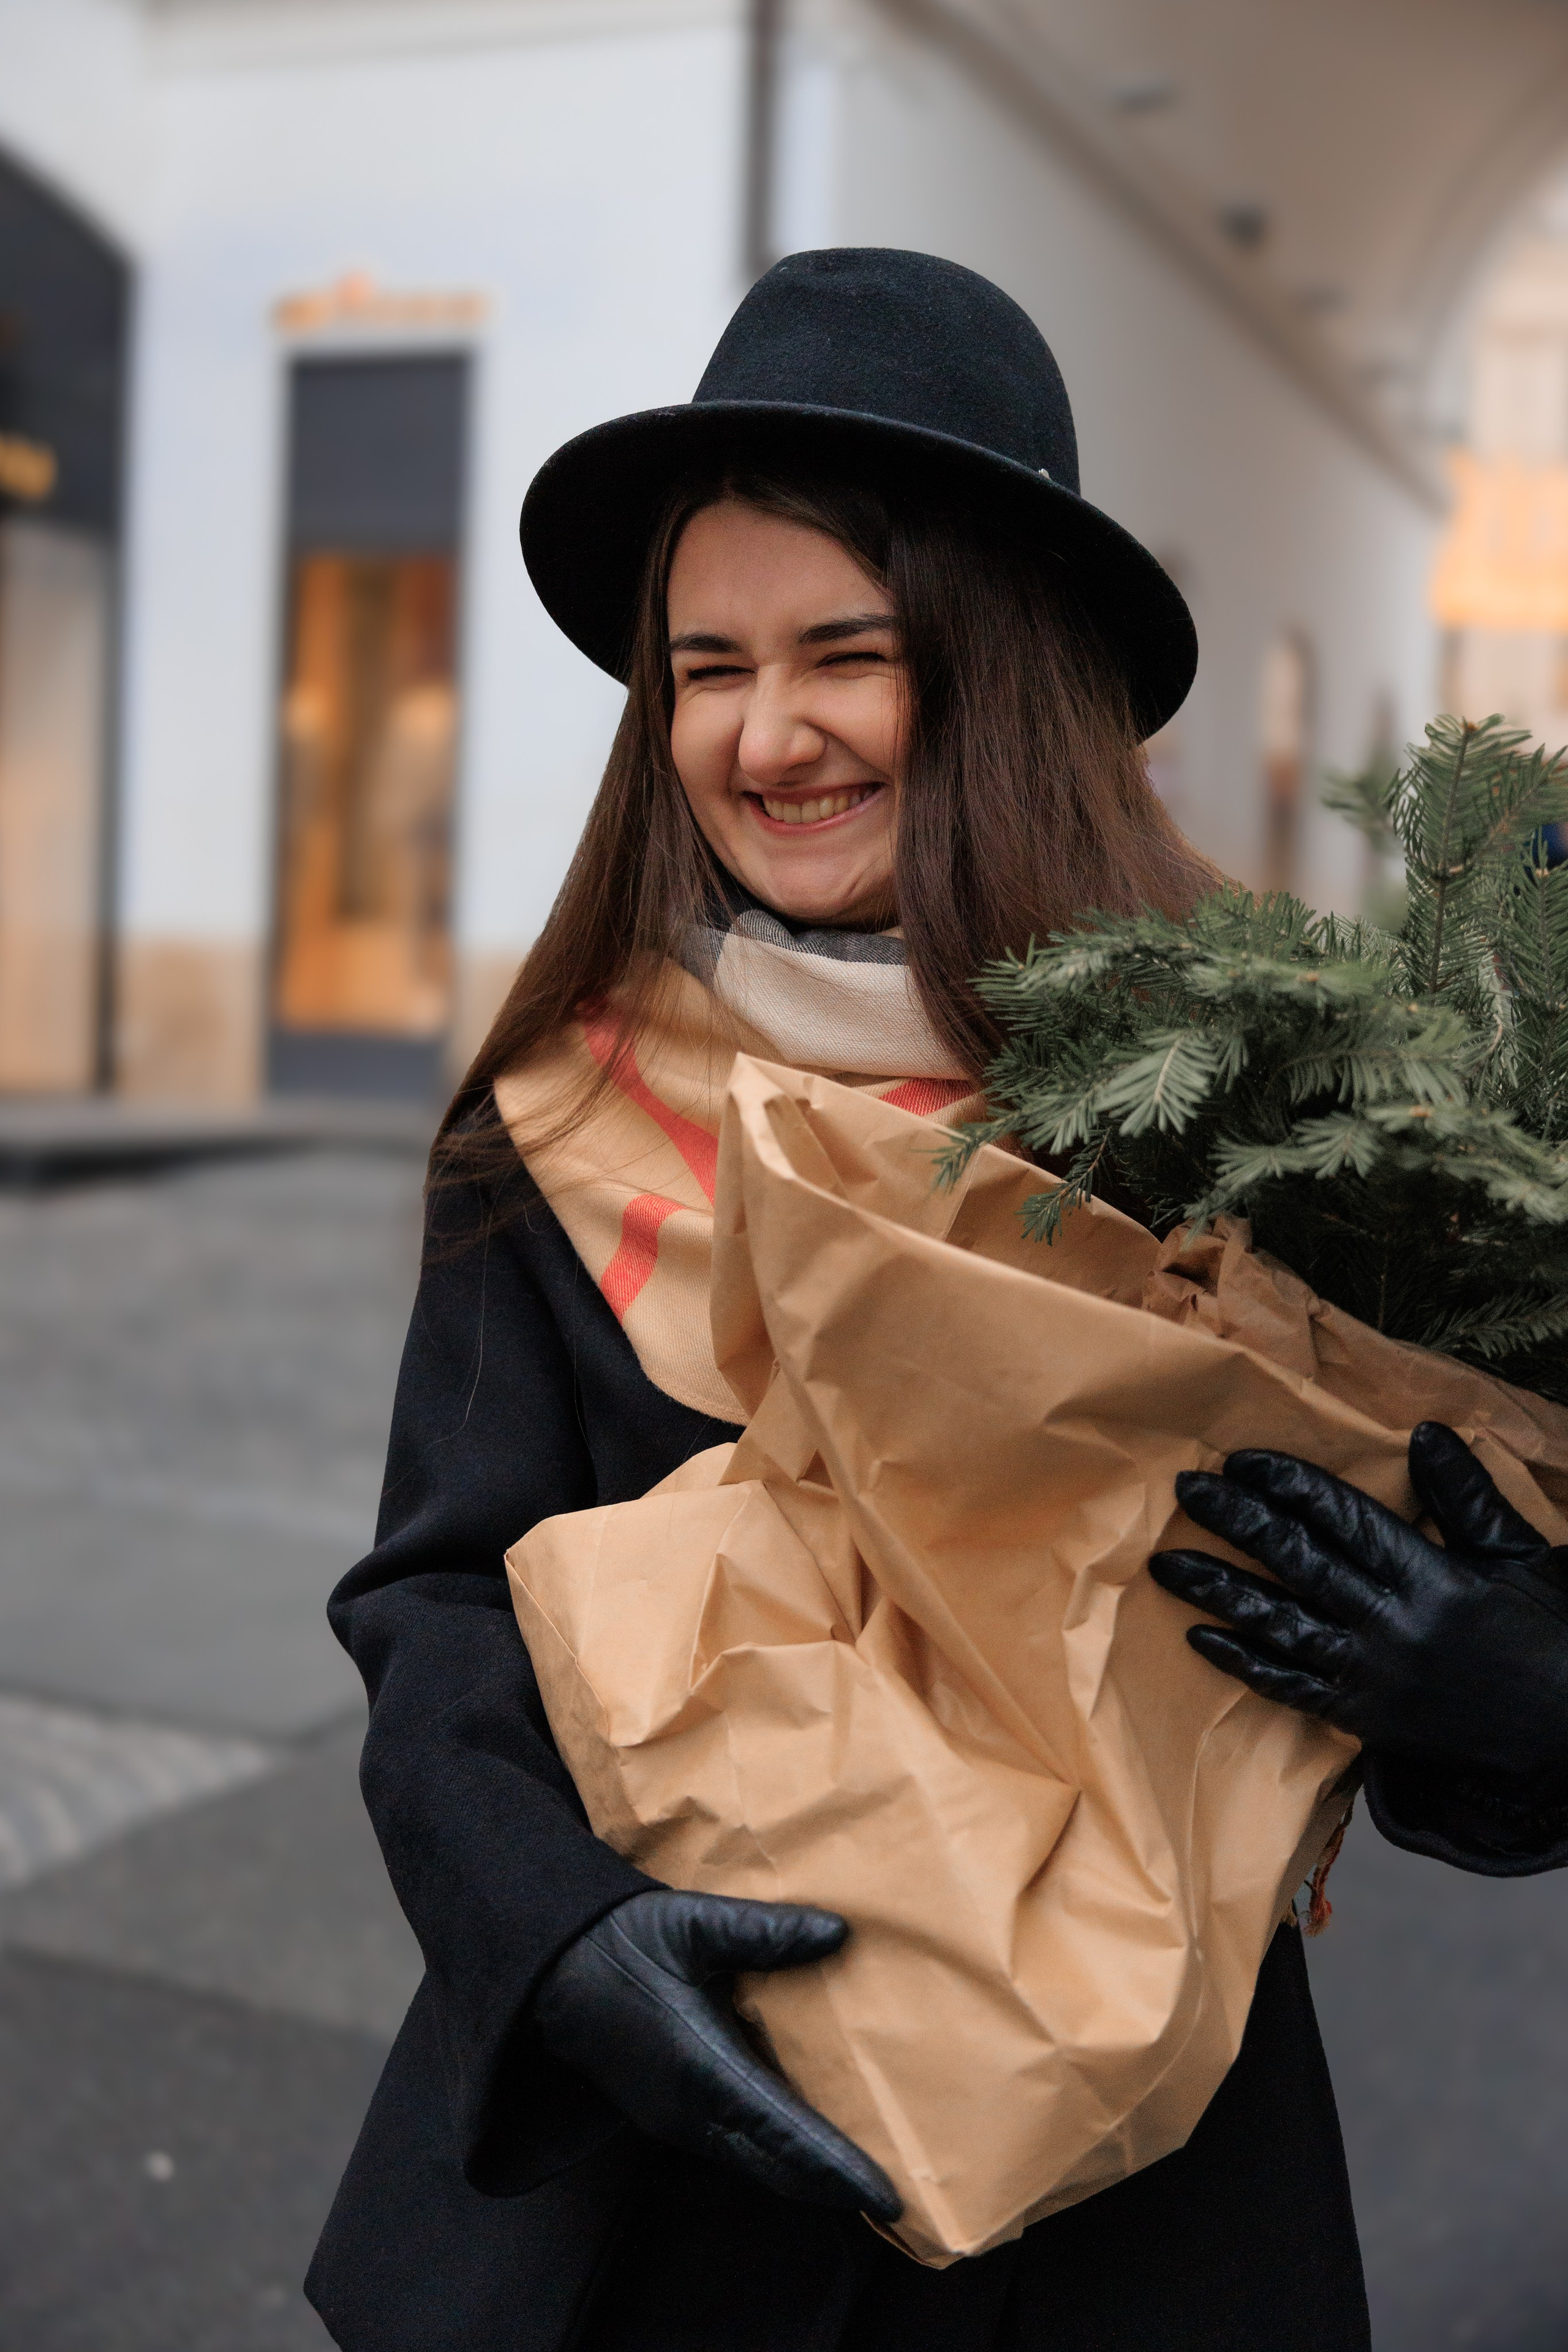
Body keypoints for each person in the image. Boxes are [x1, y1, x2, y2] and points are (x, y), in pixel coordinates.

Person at [306, 250, 1568, 2352]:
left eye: (846, 655)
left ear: (1001, 673)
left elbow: (1389, 1626)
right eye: (705, 666)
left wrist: (1510, 1697)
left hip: (1134, 2197)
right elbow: (431, 1605)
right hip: (672, 2178)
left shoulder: (1244, 1120)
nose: (764, 733)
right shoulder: (566, 1111)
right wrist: (564, 1948)